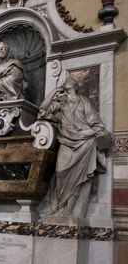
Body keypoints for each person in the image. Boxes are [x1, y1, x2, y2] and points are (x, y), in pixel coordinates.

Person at [39, 77, 111, 218]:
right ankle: (59, 207)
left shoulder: (85, 102)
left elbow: (94, 121)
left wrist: (100, 134)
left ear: (74, 85)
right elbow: (43, 109)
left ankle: (69, 211)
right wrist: (54, 91)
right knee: (60, 172)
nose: (66, 81)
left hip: (85, 141)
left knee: (79, 178)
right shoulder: (61, 101)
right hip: (66, 140)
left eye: (69, 80)